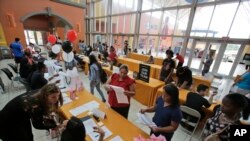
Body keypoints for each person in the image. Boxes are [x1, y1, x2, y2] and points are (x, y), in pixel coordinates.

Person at [0, 84, 64, 141]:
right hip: (6, 124)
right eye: (53, 97)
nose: (57, 99)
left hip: (19, 117)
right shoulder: (35, 104)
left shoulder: (42, 92)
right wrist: (53, 126)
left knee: (29, 136)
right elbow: (37, 125)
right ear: (45, 96)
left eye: (58, 95)